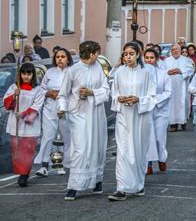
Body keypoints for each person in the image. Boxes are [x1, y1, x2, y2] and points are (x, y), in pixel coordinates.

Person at [58, 41, 110, 201]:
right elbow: (63, 93)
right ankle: (74, 186)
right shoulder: (72, 71)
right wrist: (62, 108)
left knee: (97, 146)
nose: (98, 56)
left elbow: (106, 88)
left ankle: (97, 181)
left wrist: (92, 92)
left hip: (96, 112)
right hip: (79, 113)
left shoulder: (98, 68)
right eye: (97, 53)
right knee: (80, 148)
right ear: (92, 53)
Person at [108, 42, 156, 201]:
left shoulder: (148, 71)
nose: (127, 57)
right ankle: (121, 187)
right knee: (123, 150)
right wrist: (118, 98)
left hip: (141, 116)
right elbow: (114, 93)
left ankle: (139, 184)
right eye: (125, 54)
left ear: (138, 55)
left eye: (131, 54)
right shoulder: (119, 72)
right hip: (124, 115)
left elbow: (152, 95)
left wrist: (139, 99)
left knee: (139, 150)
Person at [3, 63, 45, 187]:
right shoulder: (13, 87)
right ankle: (20, 171)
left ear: (33, 75)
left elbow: (36, 107)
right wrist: (14, 96)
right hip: (15, 125)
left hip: (29, 126)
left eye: (29, 74)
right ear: (20, 75)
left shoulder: (38, 90)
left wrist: (22, 114)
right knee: (17, 150)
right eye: (23, 73)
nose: (26, 76)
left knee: (28, 150)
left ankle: (24, 175)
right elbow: (6, 104)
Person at [34, 48, 73, 177]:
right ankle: (44, 165)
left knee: (65, 136)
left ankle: (63, 164)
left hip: (66, 108)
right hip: (50, 107)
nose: (60, 59)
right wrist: (48, 93)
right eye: (57, 57)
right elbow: (41, 88)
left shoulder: (72, 72)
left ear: (68, 59)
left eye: (63, 56)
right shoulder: (50, 72)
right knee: (48, 136)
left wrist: (63, 95)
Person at [145, 49, 172, 175]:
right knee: (147, 138)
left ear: (156, 59)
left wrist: (155, 100)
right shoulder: (141, 74)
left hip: (160, 110)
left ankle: (161, 158)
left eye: (151, 58)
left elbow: (168, 92)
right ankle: (148, 163)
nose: (149, 60)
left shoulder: (163, 74)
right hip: (146, 110)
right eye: (147, 57)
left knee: (159, 138)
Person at [165, 44, 194, 132]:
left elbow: (191, 70)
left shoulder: (186, 60)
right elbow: (161, 71)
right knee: (171, 105)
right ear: (171, 51)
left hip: (182, 87)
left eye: (177, 49)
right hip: (170, 87)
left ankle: (183, 121)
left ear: (180, 50)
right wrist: (168, 72)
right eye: (173, 49)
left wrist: (180, 71)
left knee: (183, 103)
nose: (175, 51)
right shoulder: (166, 60)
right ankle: (173, 124)